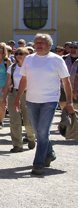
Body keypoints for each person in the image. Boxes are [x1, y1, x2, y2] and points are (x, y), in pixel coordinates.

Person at [14, 34, 74, 175]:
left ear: (49, 45)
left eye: (42, 42)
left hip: (50, 101)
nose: (38, 44)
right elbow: (24, 80)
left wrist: (69, 102)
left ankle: (38, 163)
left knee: (42, 131)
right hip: (31, 100)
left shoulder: (57, 60)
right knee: (38, 132)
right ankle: (50, 153)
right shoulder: (29, 59)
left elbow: (66, 82)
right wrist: (18, 98)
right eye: (37, 42)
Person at [0, 47, 36, 152]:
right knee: (14, 120)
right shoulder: (13, 67)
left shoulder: (31, 67)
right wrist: (4, 99)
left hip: (28, 94)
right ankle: (17, 144)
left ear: (27, 55)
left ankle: (31, 137)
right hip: (14, 93)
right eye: (17, 54)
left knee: (28, 120)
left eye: (21, 53)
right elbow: (8, 83)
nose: (18, 56)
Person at [59, 41, 78, 110]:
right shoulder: (62, 59)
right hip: (63, 87)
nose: (73, 49)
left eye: (75, 47)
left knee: (75, 109)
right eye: (71, 47)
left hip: (76, 88)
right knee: (64, 108)